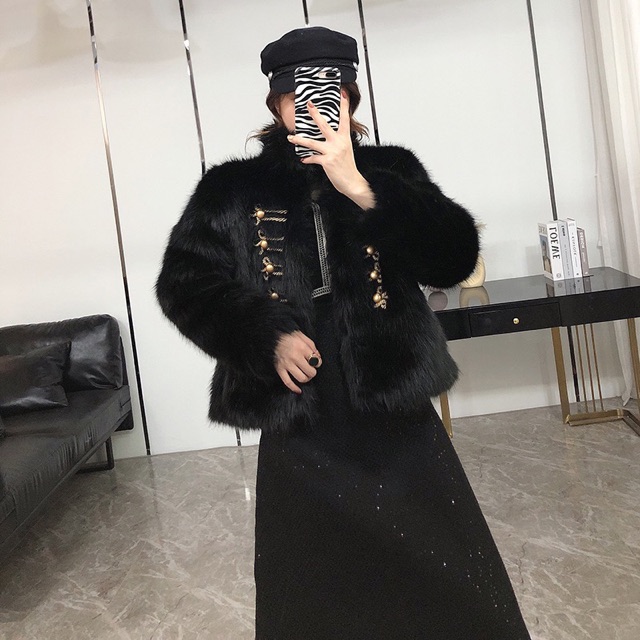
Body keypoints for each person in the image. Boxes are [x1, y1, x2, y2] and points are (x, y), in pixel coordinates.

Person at [156, 25, 531, 640]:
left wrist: (359, 186)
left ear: (351, 100)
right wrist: (265, 336)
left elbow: (453, 258)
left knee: (447, 569)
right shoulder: (230, 189)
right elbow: (183, 284)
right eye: (298, 97)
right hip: (298, 403)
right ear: (277, 106)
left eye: (328, 94)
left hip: (390, 392)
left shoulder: (391, 170)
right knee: (310, 581)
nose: (314, 109)